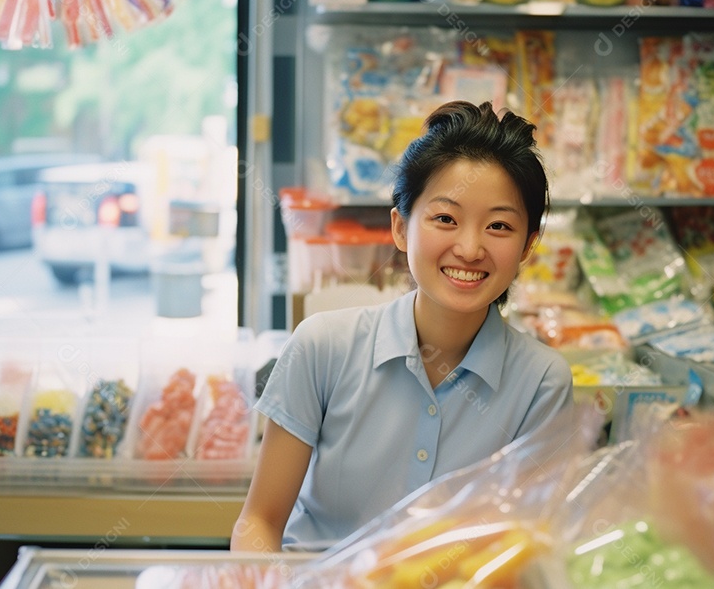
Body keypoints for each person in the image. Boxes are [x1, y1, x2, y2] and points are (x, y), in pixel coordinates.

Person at [231, 100, 572, 553]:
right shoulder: (322, 346)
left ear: (529, 245)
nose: (469, 248)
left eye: (498, 226)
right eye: (445, 219)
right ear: (400, 227)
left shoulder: (542, 383)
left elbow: (526, 549)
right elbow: (259, 522)